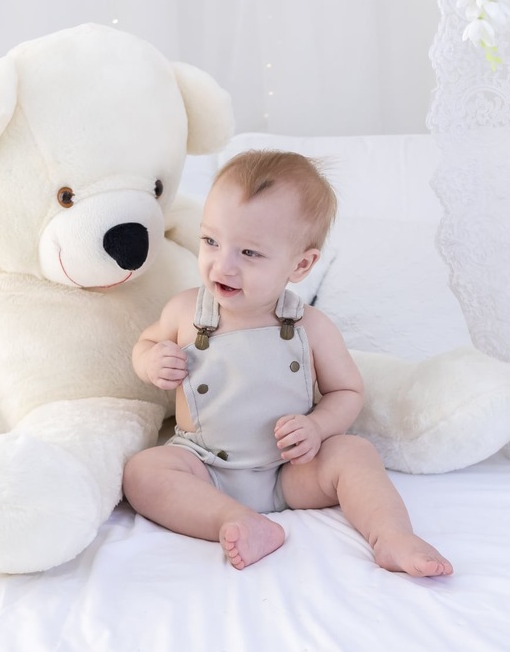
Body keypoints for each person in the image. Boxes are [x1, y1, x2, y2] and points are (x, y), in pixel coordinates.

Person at [123, 150, 453, 577]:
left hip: (290, 470)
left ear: (300, 265)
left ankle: (390, 535)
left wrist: (317, 427)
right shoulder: (184, 311)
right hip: (205, 465)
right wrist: (151, 359)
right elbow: (146, 342)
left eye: (250, 253)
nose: (223, 264)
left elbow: (347, 392)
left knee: (354, 453)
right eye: (211, 241)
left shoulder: (309, 327)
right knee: (143, 472)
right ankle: (232, 520)